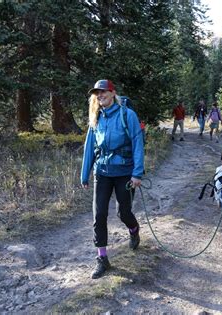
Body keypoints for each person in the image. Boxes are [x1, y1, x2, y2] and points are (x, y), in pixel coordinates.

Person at [81, 79, 144, 279]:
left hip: (124, 172)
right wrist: (85, 173)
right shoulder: (96, 117)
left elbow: (137, 143)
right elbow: (90, 147)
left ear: (112, 93)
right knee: (99, 215)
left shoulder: (128, 115)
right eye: (97, 93)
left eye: (103, 92)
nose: (100, 96)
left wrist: (137, 173)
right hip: (102, 172)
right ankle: (102, 259)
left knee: (123, 212)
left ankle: (134, 230)